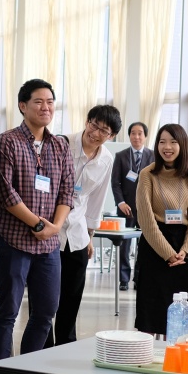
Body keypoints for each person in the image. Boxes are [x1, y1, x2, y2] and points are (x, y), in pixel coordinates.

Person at [0, 79, 73, 374]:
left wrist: (55, 227)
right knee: (7, 310)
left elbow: (67, 189)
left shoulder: (60, 145)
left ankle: (30, 372)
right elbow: (4, 191)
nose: (46, 107)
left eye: (50, 101)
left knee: (45, 310)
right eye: (38, 102)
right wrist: (37, 224)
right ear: (23, 106)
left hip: (48, 244)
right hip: (12, 240)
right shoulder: (6, 142)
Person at [50, 105, 120, 345]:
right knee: (47, 298)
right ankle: (42, 347)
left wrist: (90, 236)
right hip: (51, 231)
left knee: (72, 297)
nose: (96, 133)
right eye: (94, 125)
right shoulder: (61, 144)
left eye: (104, 131)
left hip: (77, 235)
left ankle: (65, 346)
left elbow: (96, 200)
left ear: (111, 136)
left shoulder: (106, 159)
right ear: (87, 121)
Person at [134, 123, 188, 336]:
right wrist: (167, 253)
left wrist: (186, 249)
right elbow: (146, 220)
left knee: (186, 310)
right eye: (162, 142)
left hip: (182, 248)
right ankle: (149, 355)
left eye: (173, 142)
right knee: (152, 309)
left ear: (182, 145)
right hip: (155, 246)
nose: (167, 147)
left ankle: (180, 357)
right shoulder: (148, 174)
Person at [110, 121, 154, 291]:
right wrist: (120, 203)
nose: (136, 136)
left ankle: (139, 277)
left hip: (146, 209)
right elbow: (115, 183)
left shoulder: (153, 156)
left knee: (144, 246)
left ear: (145, 136)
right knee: (124, 246)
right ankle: (123, 278)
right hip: (126, 209)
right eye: (133, 133)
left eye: (140, 133)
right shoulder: (121, 156)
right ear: (129, 136)